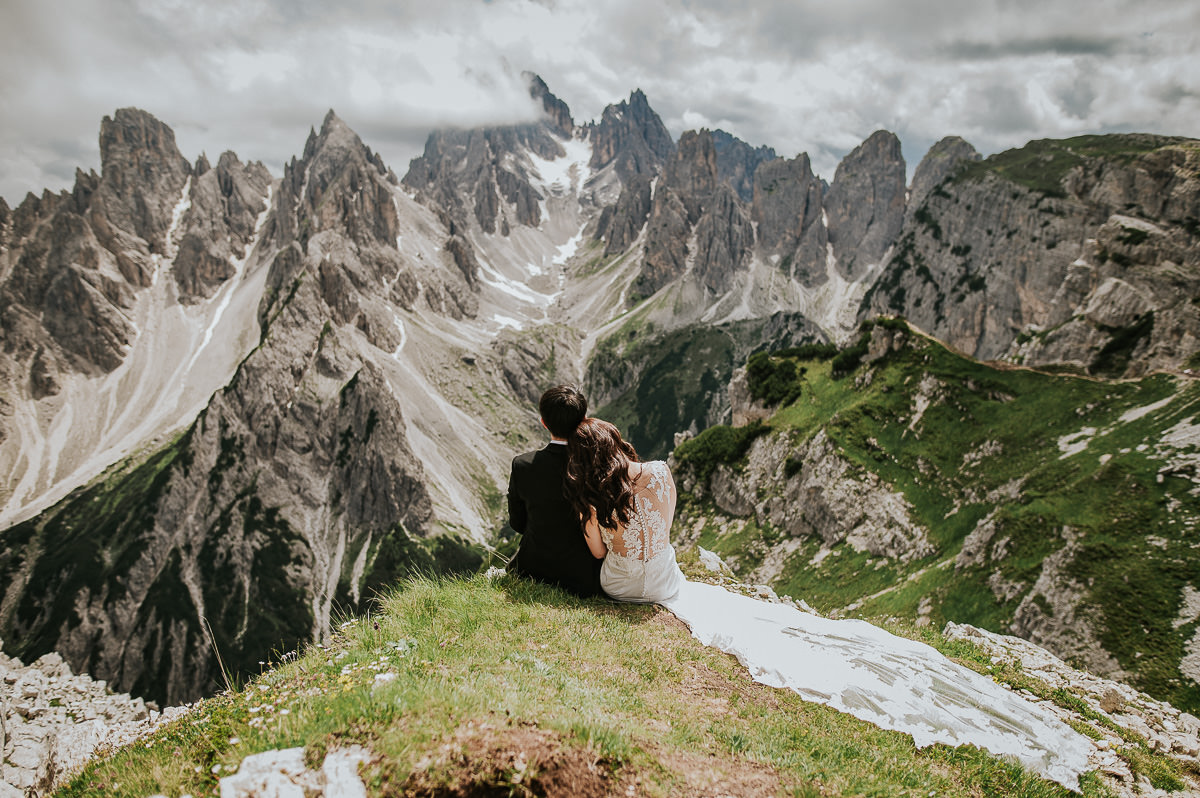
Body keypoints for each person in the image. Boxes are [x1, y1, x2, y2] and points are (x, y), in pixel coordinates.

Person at [565, 417, 684, 603]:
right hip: (666, 583)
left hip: (620, 588)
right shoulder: (661, 471)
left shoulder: (590, 499)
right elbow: (667, 524)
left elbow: (599, 553)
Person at [506, 385, 603, 597]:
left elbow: (517, 523)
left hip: (532, 568)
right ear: (584, 419)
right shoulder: (597, 465)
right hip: (584, 574)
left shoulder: (522, 465)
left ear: (543, 422)